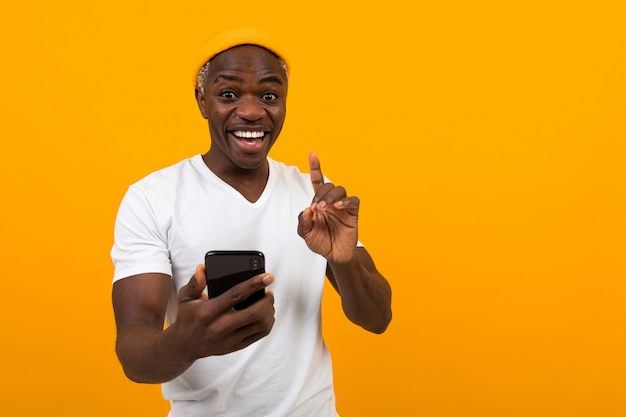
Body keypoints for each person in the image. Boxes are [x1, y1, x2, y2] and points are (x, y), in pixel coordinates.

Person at [111, 28, 392, 417]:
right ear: (201, 101)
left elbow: (377, 319)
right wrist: (186, 342)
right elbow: (133, 354)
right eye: (228, 94)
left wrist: (344, 260)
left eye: (269, 96)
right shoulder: (152, 198)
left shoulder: (313, 198)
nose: (252, 111)